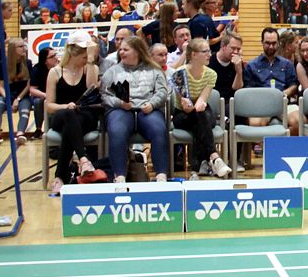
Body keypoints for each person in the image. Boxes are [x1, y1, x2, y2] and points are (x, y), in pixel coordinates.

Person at [101, 36, 170, 183]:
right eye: (120, 50)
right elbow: (104, 95)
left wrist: (152, 104)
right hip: (122, 110)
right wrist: (119, 103)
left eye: (126, 50)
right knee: (117, 130)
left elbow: (162, 92)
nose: (121, 52)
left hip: (148, 109)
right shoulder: (112, 72)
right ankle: (119, 176)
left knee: (159, 129)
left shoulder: (154, 70)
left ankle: (161, 175)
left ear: (137, 52)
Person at [45, 30, 101, 194]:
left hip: (85, 116)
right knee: (69, 115)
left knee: (71, 126)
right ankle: (83, 159)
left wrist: (90, 62)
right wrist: (66, 106)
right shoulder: (55, 72)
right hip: (61, 114)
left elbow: (91, 89)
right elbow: (49, 106)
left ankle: (59, 177)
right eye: (84, 57)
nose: (86, 60)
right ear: (72, 53)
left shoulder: (91, 68)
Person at [170, 38, 233, 180]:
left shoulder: (211, 74)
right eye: (205, 51)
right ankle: (214, 158)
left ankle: (195, 172)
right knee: (199, 120)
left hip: (202, 112)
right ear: (193, 54)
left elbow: (202, 99)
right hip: (182, 115)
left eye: (209, 51)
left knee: (200, 117)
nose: (209, 55)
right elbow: (185, 106)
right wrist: (190, 105)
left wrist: (200, 104)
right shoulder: (179, 74)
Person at [244, 27, 300, 135]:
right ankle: (264, 150)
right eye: (267, 43)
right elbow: (248, 89)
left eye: (274, 43)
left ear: (278, 43)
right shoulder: (252, 65)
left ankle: (282, 149)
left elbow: (294, 84)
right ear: (262, 43)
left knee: (298, 122)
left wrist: (285, 93)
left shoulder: (287, 64)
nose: (271, 46)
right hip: (261, 104)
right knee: (256, 124)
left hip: (284, 102)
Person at [29, 47, 59, 140]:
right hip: (42, 95)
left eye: (56, 55)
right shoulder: (37, 69)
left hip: (57, 95)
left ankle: (53, 128)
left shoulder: (60, 68)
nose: (56, 58)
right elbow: (32, 89)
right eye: (52, 56)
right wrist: (46, 95)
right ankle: (38, 129)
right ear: (45, 61)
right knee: (38, 102)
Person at [209, 32, 244, 106]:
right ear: (223, 46)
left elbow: (236, 88)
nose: (236, 52)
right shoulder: (209, 62)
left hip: (232, 103)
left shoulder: (238, 63)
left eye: (238, 49)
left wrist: (239, 72)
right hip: (213, 103)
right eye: (233, 48)